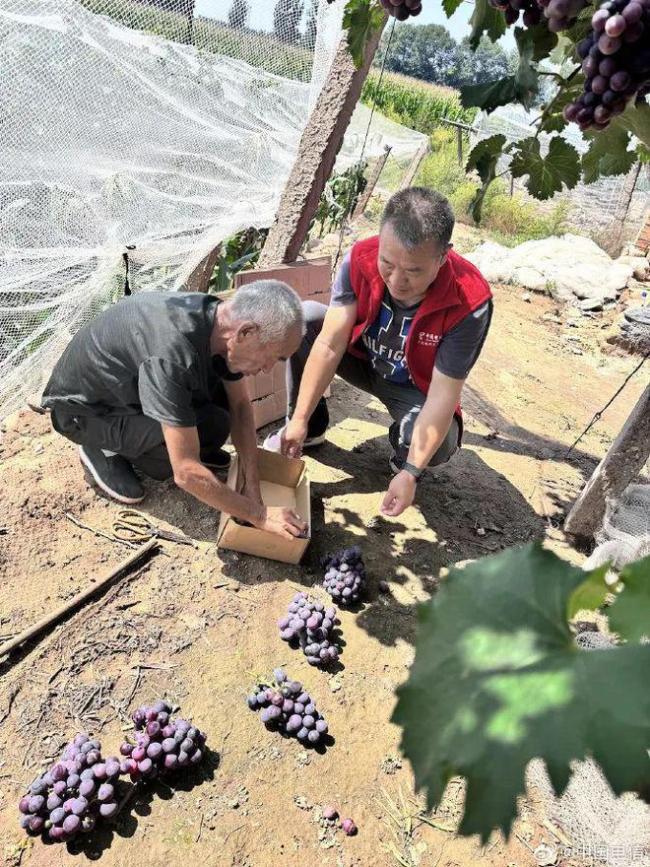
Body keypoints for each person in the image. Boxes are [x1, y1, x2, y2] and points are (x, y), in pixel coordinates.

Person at [264, 187, 493, 518]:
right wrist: (298, 418)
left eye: (413, 271)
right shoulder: (360, 257)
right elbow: (329, 343)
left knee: (438, 443)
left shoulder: (470, 302)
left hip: (415, 387)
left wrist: (412, 471)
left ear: (443, 256)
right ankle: (308, 431)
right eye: (387, 262)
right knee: (306, 319)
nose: (396, 281)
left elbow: (444, 395)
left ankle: (403, 460)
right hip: (364, 361)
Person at [42, 281, 308, 540]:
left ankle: (147, 440)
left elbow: (240, 406)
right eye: (274, 356)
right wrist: (260, 515)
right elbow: (186, 472)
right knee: (172, 458)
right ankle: (101, 448)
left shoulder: (221, 319)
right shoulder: (172, 354)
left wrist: (252, 482)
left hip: (128, 388)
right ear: (246, 333)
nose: (268, 368)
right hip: (86, 413)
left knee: (217, 424)